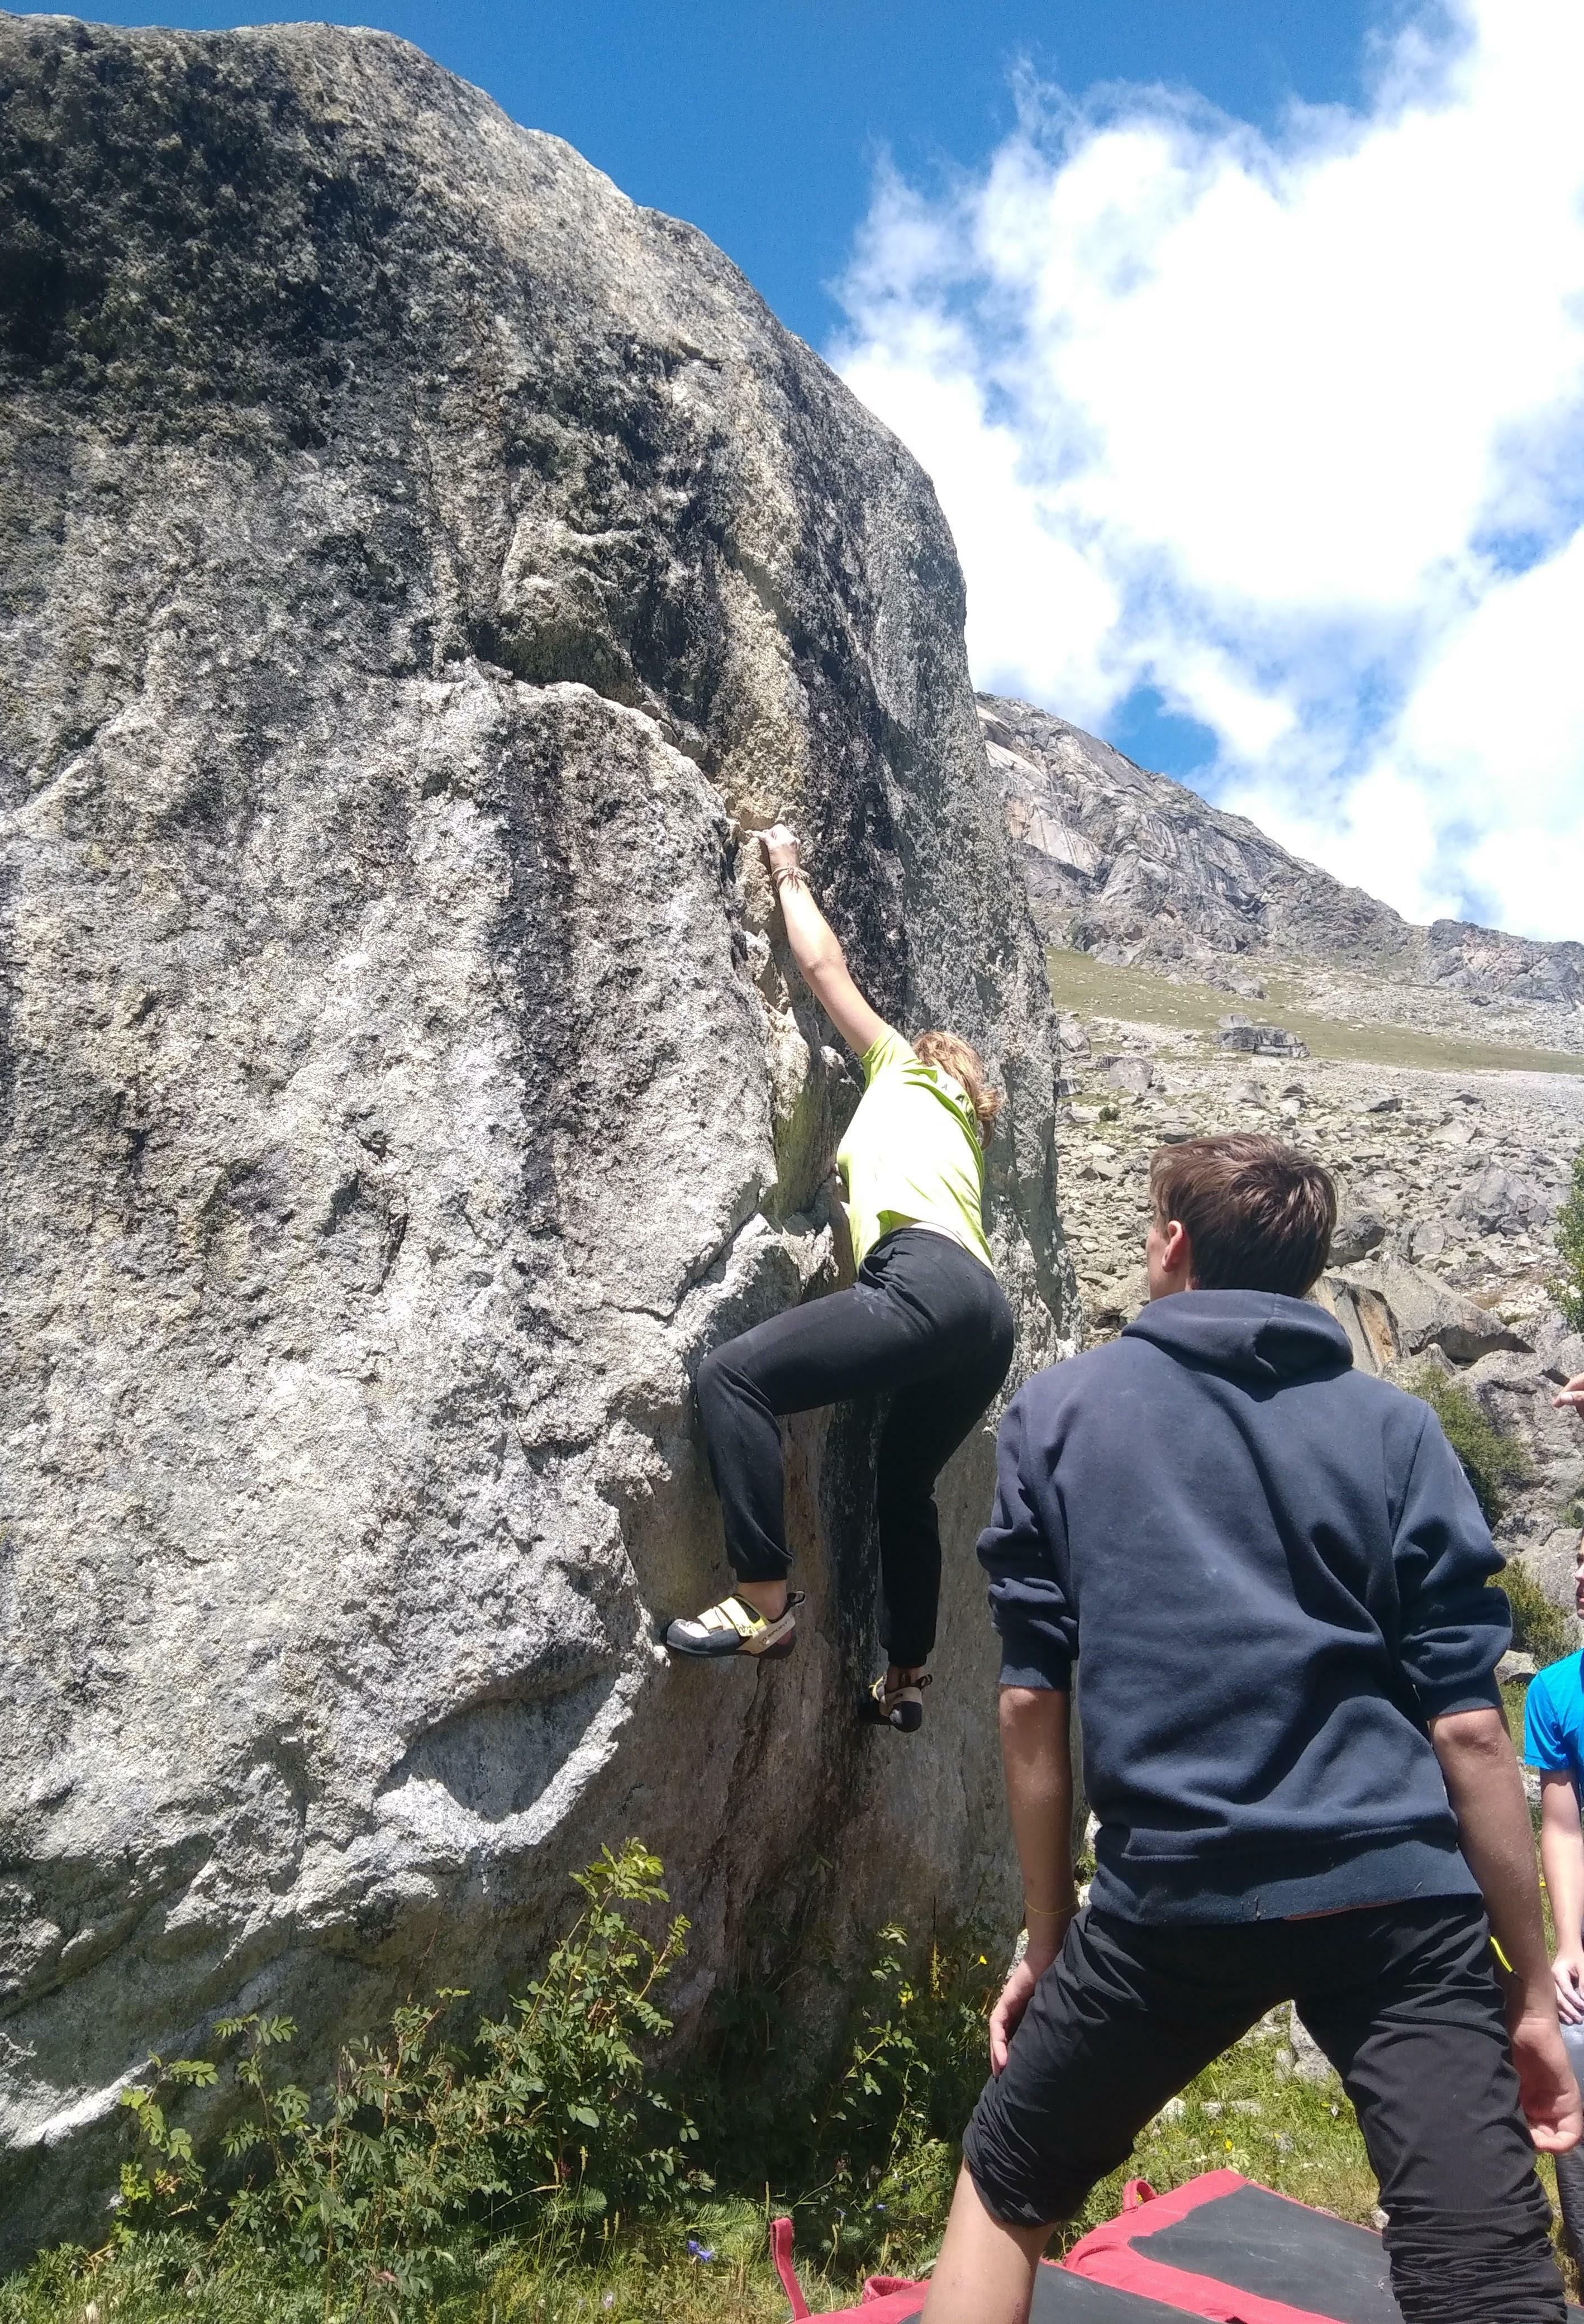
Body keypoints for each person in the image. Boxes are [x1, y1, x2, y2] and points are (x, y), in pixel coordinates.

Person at [922, 1136, 1581, 2324]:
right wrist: (1530, 1986)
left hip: (1177, 1891)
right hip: (1397, 1901)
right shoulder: (1397, 1431)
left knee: (1010, 2174)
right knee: (1483, 2272)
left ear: (1173, 1246)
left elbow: (1031, 1700)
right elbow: (1473, 1733)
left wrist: (1050, 1931)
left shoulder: (1059, 1414)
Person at [663, 823, 1015, 1732]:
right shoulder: (963, 1134)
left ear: (928, 1056)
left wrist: (788, 870)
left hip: (926, 1282)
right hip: (984, 1321)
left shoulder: (903, 1066)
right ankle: (906, 1678)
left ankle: (763, 1603)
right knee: (904, 1488)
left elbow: (825, 970)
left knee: (733, 1376)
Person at [1522, 1366, 1584, 2260]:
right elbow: (1564, 1826)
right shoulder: (1555, 1693)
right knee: (1573, 2036)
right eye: (1576, 1559)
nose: (1579, 1575)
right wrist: (1568, 1945)